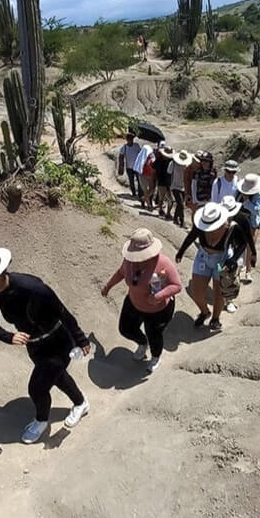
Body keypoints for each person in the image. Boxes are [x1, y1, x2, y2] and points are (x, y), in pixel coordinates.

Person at [0, 246, 91, 444]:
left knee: (37, 388)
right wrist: (8, 336)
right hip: (34, 345)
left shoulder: (33, 287)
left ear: (0, 274)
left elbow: (62, 311)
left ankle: (41, 421)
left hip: (58, 341)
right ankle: (81, 403)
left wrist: (81, 339)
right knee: (56, 377)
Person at [101, 229, 182, 373]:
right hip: (133, 303)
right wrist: (108, 286)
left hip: (157, 310)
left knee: (154, 335)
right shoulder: (129, 261)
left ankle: (155, 357)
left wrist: (158, 296)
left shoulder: (163, 263)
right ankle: (142, 342)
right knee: (125, 328)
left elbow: (176, 285)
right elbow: (121, 272)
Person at [175, 202, 233, 332]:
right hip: (203, 257)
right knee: (197, 292)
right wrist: (181, 252)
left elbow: (241, 243)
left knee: (219, 292)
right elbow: (192, 236)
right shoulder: (201, 224)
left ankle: (215, 318)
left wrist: (233, 261)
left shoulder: (229, 228)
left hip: (220, 261)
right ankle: (205, 312)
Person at [219, 196, 257, 312]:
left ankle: (229, 300)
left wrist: (253, 253)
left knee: (233, 271)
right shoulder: (219, 218)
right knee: (220, 270)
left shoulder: (243, 219)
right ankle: (220, 292)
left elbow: (247, 239)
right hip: (223, 248)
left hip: (238, 247)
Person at [235, 173, 260, 284]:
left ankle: (248, 271)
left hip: (252, 222)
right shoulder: (238, 191)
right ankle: (237, 269)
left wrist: (247, 201)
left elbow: (256, 209)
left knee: (250, 245)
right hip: (239, 220)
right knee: (238, 245)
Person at [168, 149, 192, 228]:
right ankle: (182, 221)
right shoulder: (173, 163)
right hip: (175, 186)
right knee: (181, 204)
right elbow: (169, 172)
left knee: (180, 204)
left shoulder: (187, 165)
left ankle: (175, 218)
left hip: (183, 187)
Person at [118, 131, 142, 200]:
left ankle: (140, 194)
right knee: (131, 181)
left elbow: (140, 154)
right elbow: (121, 156)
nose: (130, 140)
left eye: (131, 139)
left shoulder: (136, 146)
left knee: (139, 181)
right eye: (129, 139)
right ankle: (134, 193)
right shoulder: (124, 147)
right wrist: (121, 166)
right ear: (127, 140)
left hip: (137, 166)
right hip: (129, 167)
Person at [154, 143, 174, 219]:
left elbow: (154, 168)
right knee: (165, 199)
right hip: (164, 182)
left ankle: (164, 211)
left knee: (165, 198)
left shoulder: (159, 160)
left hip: (164, 182)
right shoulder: (170, 161)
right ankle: (164, 211)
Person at [134, 143, 156, 211]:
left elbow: (153, 162)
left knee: (152, 189)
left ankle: (143, 198)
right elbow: (139, 166)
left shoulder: (151, 156)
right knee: (145, 190)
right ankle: (149, 205)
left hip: (149, 175)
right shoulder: (141, 157)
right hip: (142, 175)